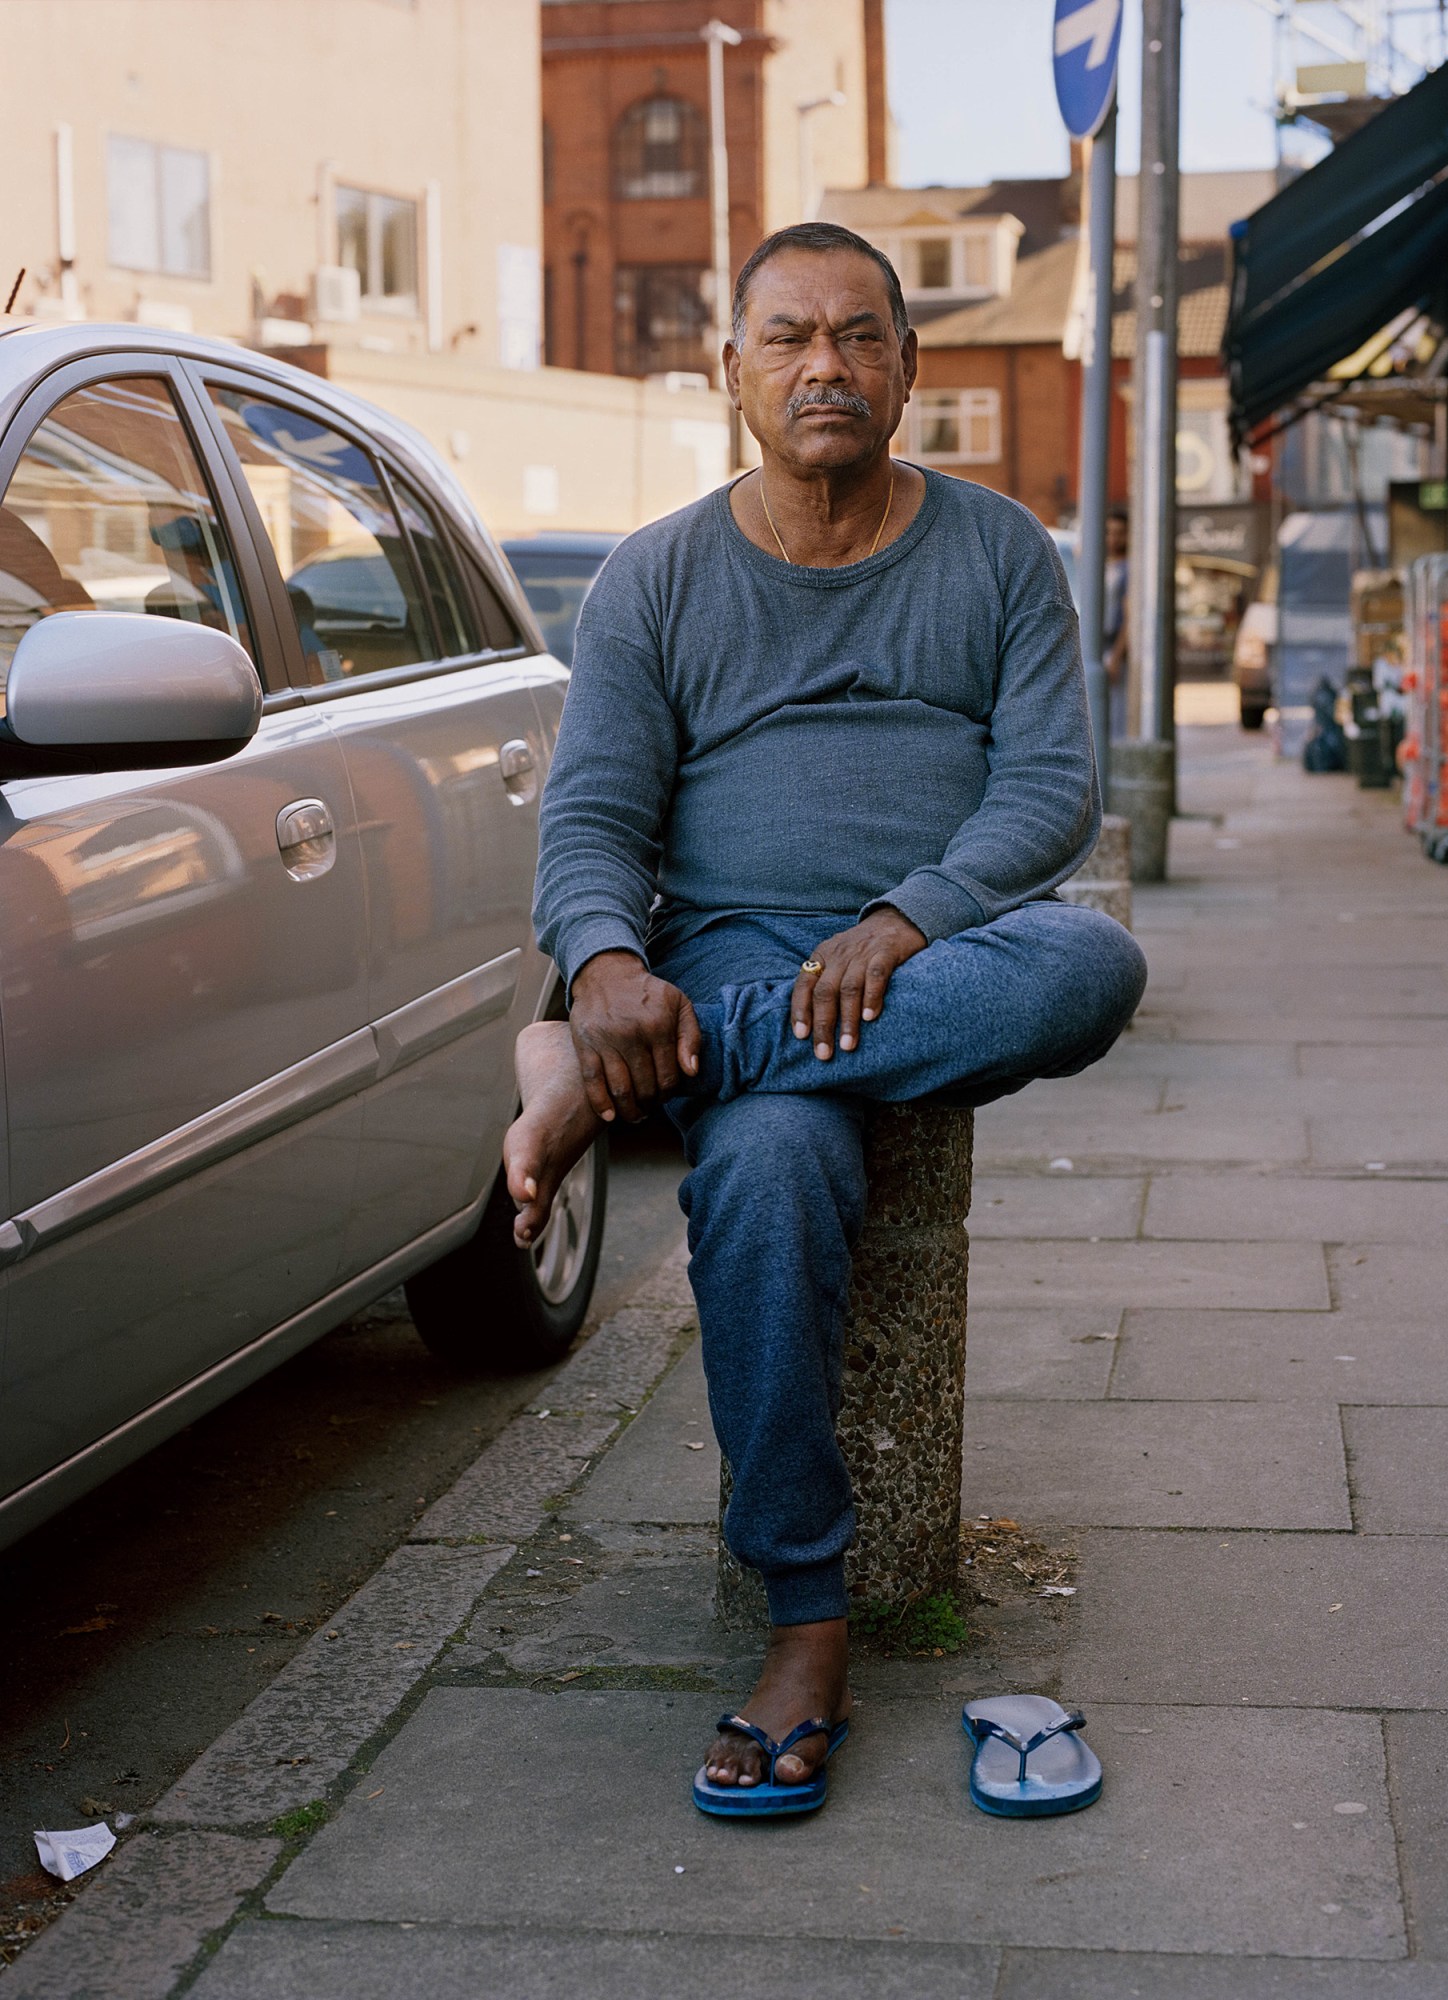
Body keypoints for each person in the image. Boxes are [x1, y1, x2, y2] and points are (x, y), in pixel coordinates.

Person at [505, 222, 1147, 1807]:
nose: (825, 367)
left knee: (1099, 968)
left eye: (861, 337)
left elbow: (1055, 788)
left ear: (910, 369)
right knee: (772, 1171)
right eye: (787, 337)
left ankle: (659, 1066)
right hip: (731, 936)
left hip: (934, 957)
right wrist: (600, 970)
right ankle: (805, 1622)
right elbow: (590, 825)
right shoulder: (657, 577)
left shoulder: (998, 553)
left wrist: (902, 917)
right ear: (729, 371)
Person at [1102, 504, 1130, 739]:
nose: (1113, 538)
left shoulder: (1128, 569)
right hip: (1095, 644)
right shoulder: (1099, 566)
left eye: (1119, 532)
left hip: (1113, 647)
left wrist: (1117, 657)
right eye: (1108, 532)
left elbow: (1128, 617)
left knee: (1116, 715)